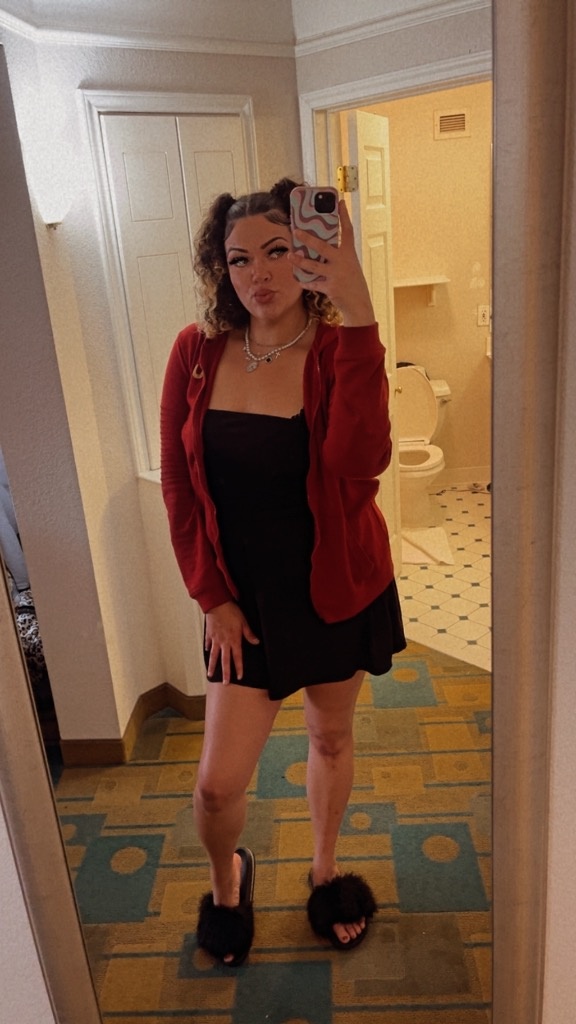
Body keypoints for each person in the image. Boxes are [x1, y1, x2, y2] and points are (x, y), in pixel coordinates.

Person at [160, 177, 406, 967]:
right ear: (220, 269)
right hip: (244, 606)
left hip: (336, 588)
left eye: (276, 251)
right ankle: (227, 881)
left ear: (306, 255)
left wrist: (359, 309)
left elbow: (360, 464)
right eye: (239, 259)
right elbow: (178, 485)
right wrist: (211, 597)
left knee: (329, 737)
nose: (258, 273)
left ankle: (325, 871)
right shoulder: (195, 355)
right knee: (216, 785)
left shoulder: (335, 350)